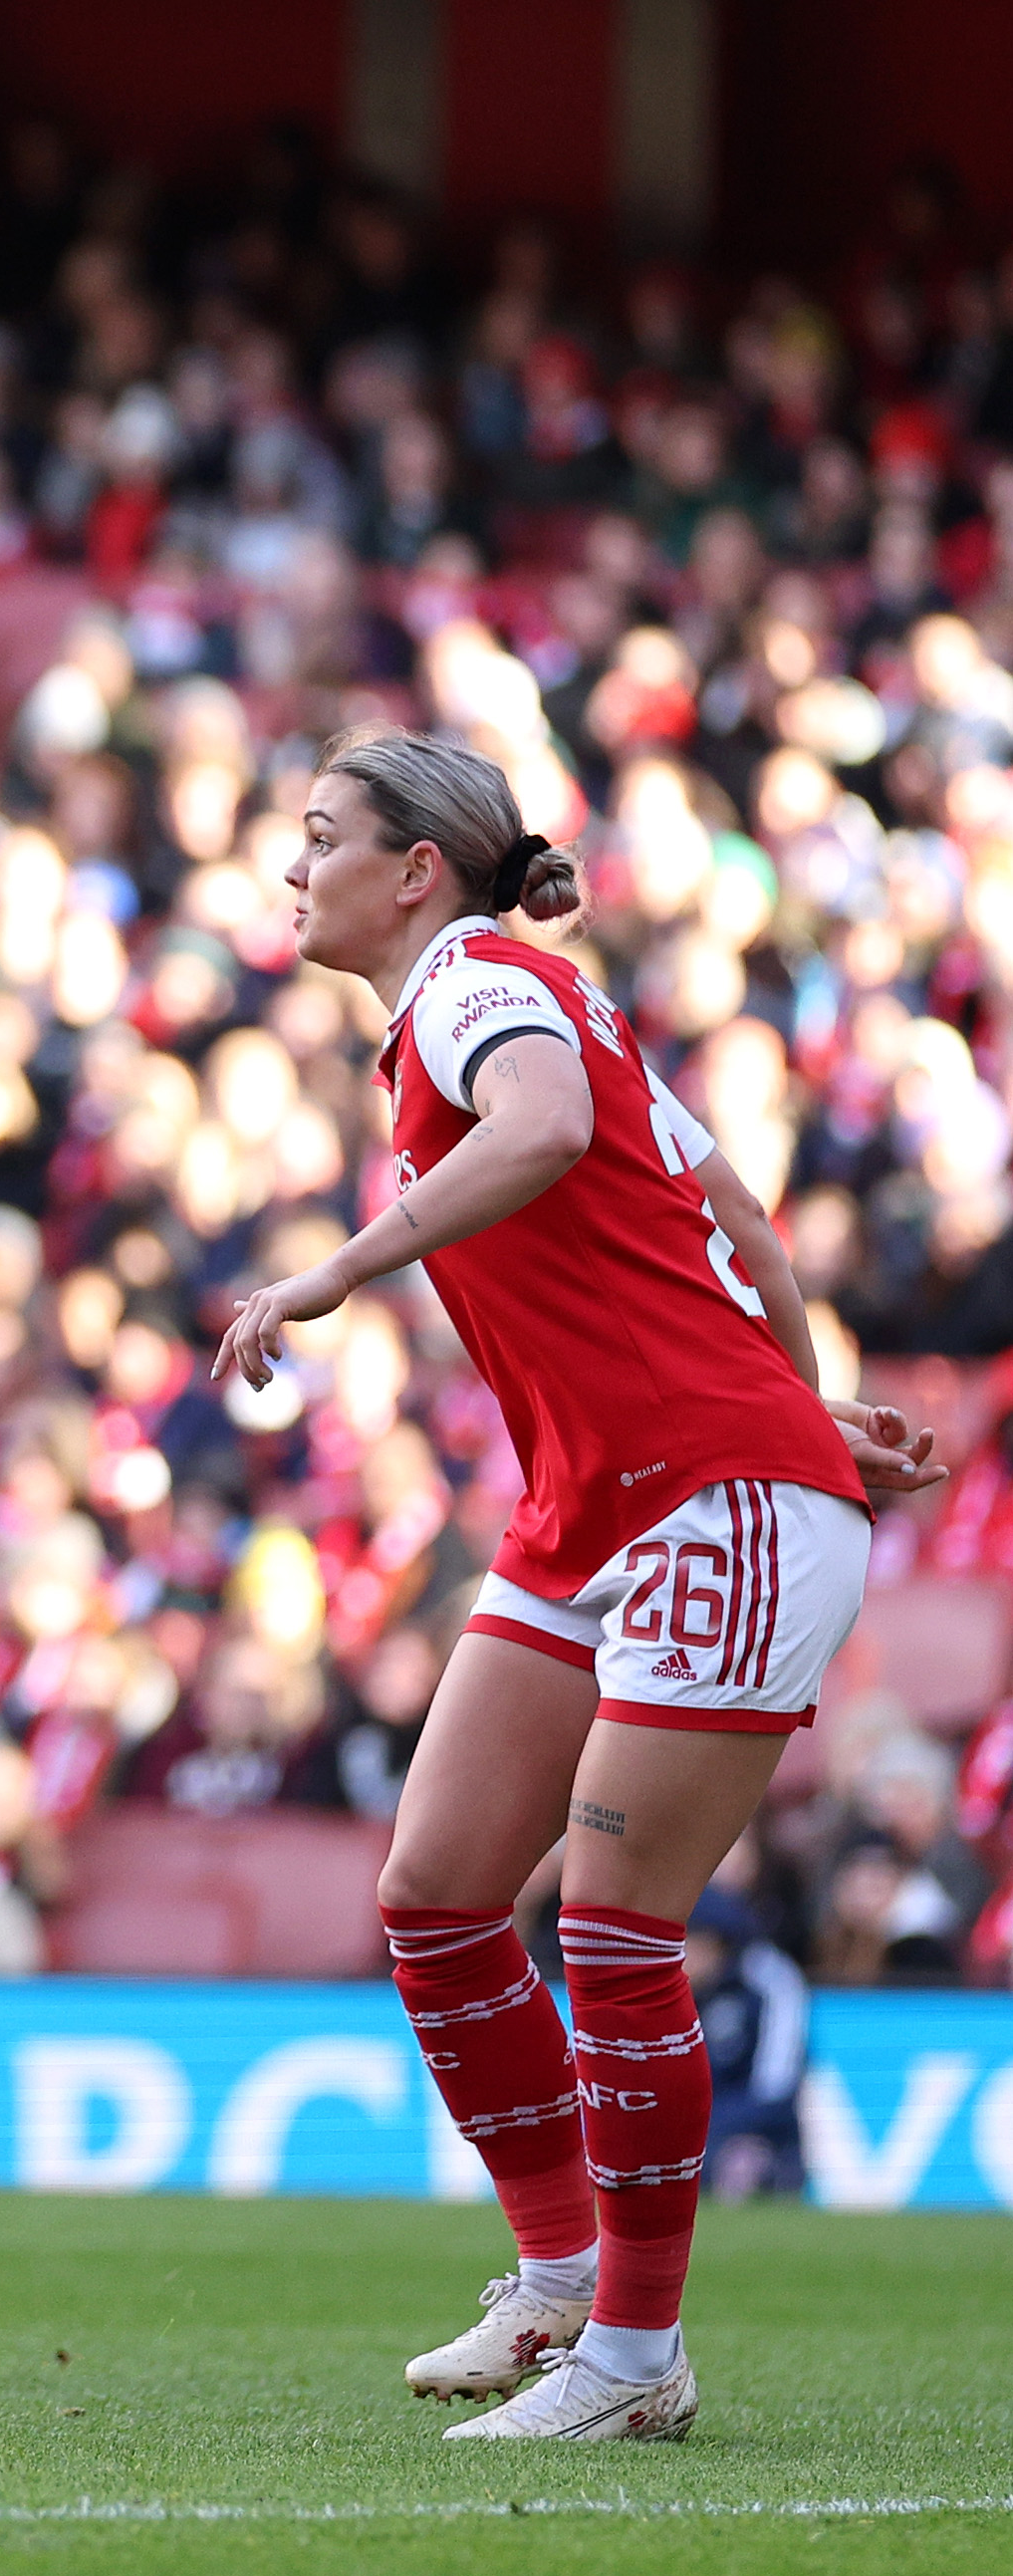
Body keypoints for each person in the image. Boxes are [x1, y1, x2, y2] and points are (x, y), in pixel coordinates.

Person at [214, 724, 945, 2445]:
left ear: (418, 871)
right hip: (606, 1498)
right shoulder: (518, 996)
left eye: (320, 834)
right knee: (439, 1894)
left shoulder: (478, 984)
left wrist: (338, 1268)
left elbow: (542, 1129)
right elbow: (742, 1225)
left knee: (613, 1925)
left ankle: (634, 2358)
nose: (290, 863)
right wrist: (806, 1397)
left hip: (707, 1498)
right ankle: (557, 2277)